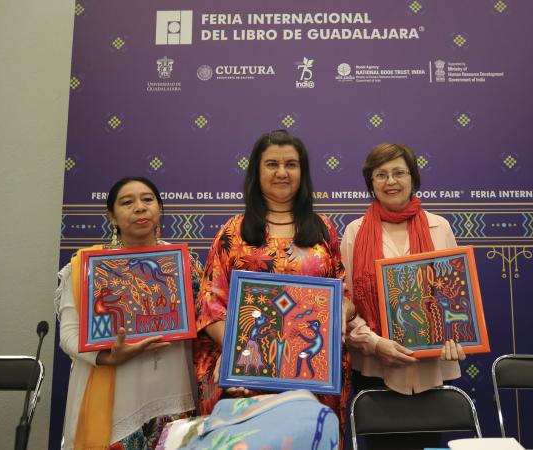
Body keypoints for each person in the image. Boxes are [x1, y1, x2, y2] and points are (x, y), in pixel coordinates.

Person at [193, 130, 354, 448]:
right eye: (272, 164)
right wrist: (247, 356)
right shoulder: (233, 232)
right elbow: (211, 306)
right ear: (257, 172)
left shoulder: (323, 229)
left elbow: (344, 296)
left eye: (291, 164)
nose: (282, 172)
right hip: (248, 375)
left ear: (302, 172)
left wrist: (338, 313)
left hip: (311, 372)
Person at [55, 176, 201, 450]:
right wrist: (107, 357)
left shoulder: (185, 266)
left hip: (173, 394)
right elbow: (69, 334)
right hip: (115, 403)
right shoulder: (85, 268)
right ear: (111, 216)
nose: (140, 207)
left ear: (160, 208)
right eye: (127, 202)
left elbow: (204, 323)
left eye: (147, 199)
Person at [340, 143, 466, 450]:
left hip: (432, 368)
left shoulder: (439, 227)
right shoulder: (355, 232)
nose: (391, 181)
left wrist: (457, 334)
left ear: (413, 178)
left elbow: (454, 295)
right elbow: (345, 304)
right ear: (371, 182)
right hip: (375, 368)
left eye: (399, 172)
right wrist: (374, 343)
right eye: (381, 174)